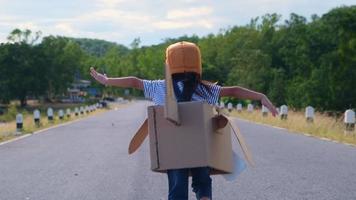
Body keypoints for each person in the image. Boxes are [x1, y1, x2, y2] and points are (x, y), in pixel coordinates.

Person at [90, 41, 278, 200]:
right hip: (200, 149)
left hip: (173, 150)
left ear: (168, 64)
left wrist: (107, 80)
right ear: (197, 64)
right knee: (202, 183)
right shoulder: (206, 89)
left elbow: (134, 81)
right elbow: (235, 90)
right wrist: (261, 96)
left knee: (177, 186)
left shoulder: (160, 87)